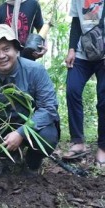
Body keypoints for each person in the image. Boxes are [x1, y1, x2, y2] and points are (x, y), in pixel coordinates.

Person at [0, 24, 59, 180]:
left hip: (29, 125)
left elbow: (49, 108)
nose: (1, 55)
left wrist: (21, 132)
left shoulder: (35, 71)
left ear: (16, 49)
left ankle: (31, 161)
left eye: (6, 49)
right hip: (0, 126)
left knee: (48, 135)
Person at [63, 0, 105, 168]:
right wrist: (71, 49)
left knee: (103, 98)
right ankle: (78, 141)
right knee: (72, 89)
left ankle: (103, 146)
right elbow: (76, 22)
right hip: (83, 52)